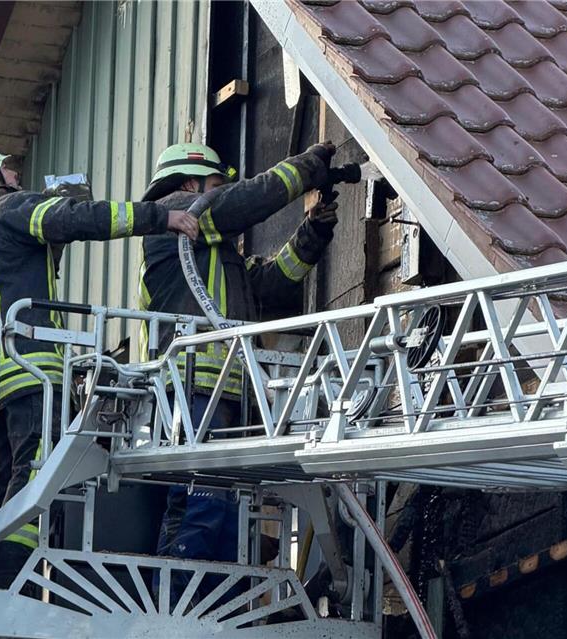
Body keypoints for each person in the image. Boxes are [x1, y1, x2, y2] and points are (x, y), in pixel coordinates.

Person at [0, 138, 198, 588]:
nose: (17, 177)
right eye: (7, 171)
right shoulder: (8, 211)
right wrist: (164, 216)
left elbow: (7, 279)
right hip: (32, 372)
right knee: (36, 479)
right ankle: (5, 586)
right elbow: (82, 218)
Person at [139, 141, 345, 600]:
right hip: (194, 391)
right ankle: (174, 613)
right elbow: (249, 201)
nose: (223, 192)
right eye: (217, 185)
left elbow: (270, 284)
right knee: (201, 508)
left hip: (226, 395)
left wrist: (312, 233)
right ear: (191, 186)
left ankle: (214, 612)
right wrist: (307, 167)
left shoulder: (215, 255)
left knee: (230, 520)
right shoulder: (173, 219)